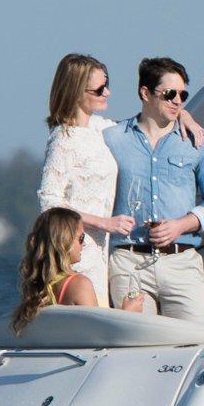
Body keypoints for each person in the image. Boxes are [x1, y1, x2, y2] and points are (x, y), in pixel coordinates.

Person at [105, 56, 204, 322]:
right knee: (136, 347)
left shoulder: (198, 140)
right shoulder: (111, 138)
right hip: (129, 264)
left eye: (183, 95)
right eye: (170, 94)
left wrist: (180, 225)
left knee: (194, 343)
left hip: (182, 263)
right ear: (145, 93)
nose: (178, 101)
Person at [36, 54, 127, 305]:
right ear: (77, 92)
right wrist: (103, 222)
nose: (107, 92)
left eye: (107, 84)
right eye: (99, 89)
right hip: (78, 249)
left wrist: (183, 116)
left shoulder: (99, 128)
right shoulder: (63, 140)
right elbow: (48, 203)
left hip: (102, 249)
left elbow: (143, 126)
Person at [10, 207, 101, 331]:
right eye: (81, 238)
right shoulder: (79, 284)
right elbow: (98, 333)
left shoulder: (40, 287)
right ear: (65, 241)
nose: (84, 244)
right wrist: (128, 312)